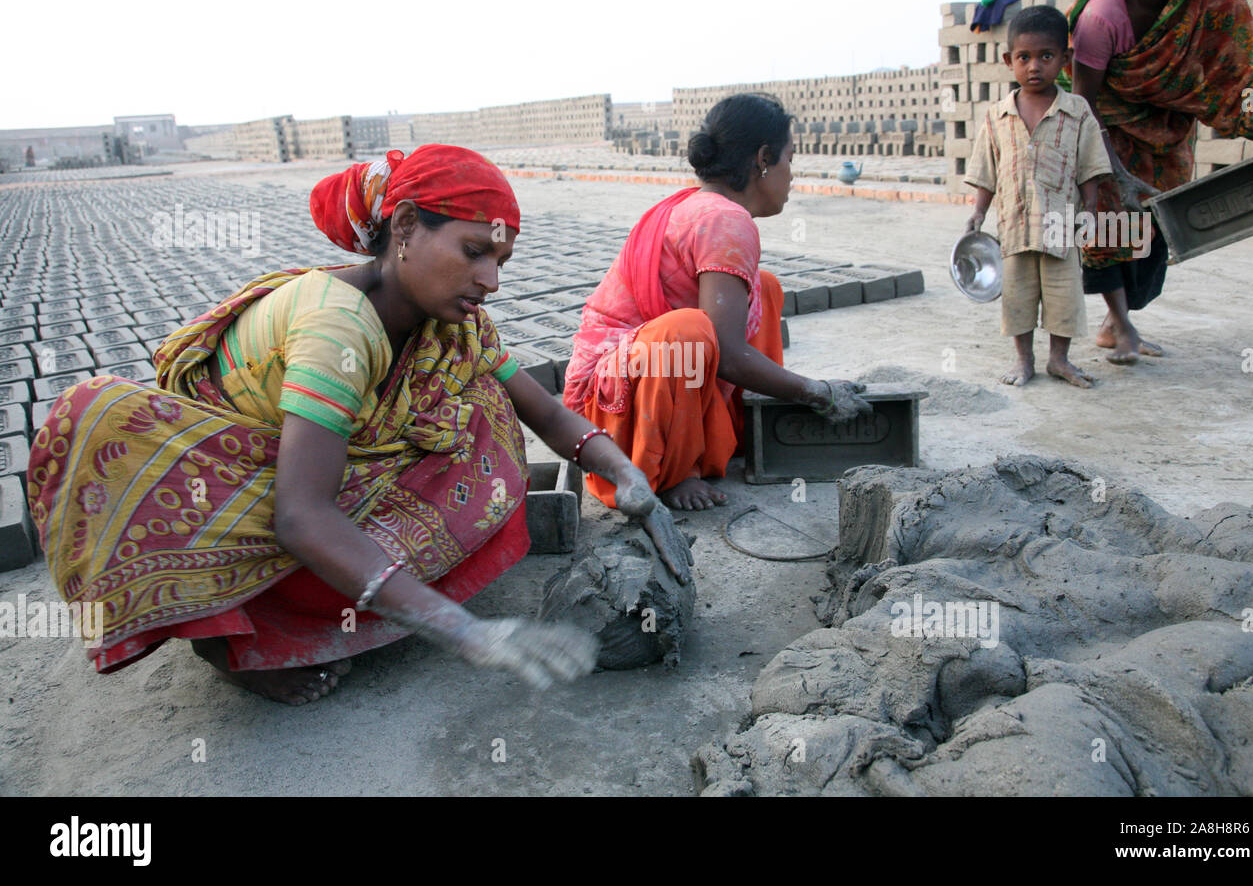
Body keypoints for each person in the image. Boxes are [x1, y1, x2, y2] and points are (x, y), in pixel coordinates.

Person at [27, 144, 693, 705]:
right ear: (404, 227)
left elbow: (541, 409)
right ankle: (233, 637)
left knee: (485, 411)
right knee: (423, 470)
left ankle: (337, 594)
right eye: (473, 252)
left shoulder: (449, 320)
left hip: (318, 471)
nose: (490, 279)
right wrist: (464, 631)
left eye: (501, 261)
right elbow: (301, 517)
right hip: (238, 495)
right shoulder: (337, 324)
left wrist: (625, 475)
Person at [563, 93, 873, 511]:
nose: (792, 176)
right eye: (789, 160)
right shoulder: (725, 218)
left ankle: (745, 429)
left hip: (645, 384)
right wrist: (817, 393)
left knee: (762, 286)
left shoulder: (700, 208)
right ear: (763, 158)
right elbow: (726, 355)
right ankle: (668, 471)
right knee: (687, 332)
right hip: (611, 420)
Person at [1066, 0, 1253, 363]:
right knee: (1109, 230)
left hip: (1170, 134)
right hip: (1106, 132)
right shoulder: (1102, 16)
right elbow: (1082, 105)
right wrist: (1114, 171)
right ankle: (1121, 327)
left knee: (1161, 229)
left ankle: (1117, 323)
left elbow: (1234, 84)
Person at [966, 5, 1112, 388]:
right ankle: (1023, 359)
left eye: (1046, 56)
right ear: (1008, 61)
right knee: (1018, 299)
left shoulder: (1077, 111)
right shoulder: (996, 115)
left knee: (1063, 299)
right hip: (1014, 229)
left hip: (1061, 229)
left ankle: (1059, 360)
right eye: (1024, 57)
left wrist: (1091, 210)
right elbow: (987, 171)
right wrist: (978, 214)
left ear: (1065, 59)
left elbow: (1090, 167)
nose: (1034, 67)